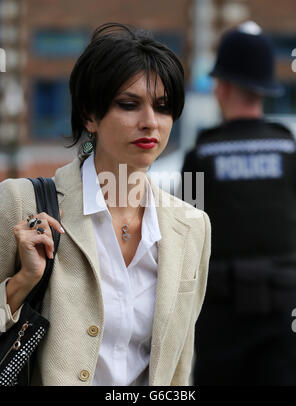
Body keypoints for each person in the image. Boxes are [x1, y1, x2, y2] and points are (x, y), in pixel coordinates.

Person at [0, 23, 211, 386]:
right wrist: (21, 284)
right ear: (89, 116)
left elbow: (179, 367)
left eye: (163, 108)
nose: (150, 123)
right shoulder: (20, 203)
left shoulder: (192, 225)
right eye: (129, 105)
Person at [182, 21, 296, 385]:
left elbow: (187, 235)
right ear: (264, 88)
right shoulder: (291, 151)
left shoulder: (200, 156)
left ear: (223, 86)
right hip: (286, 316)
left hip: (220, 318)